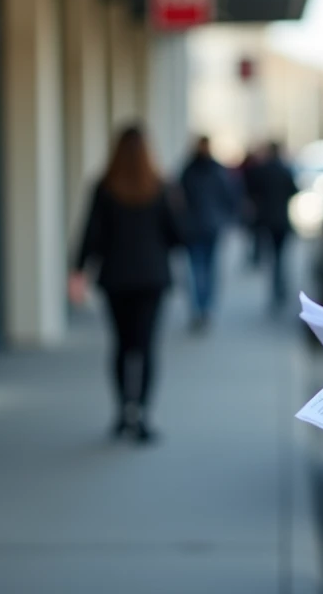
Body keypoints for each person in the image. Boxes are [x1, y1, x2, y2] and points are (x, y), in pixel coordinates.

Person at [70, 124, 182, 444]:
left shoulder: (104, 187)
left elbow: (90, 233)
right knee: (146, 347)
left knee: (121, 346)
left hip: (116, 278)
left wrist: (78, 271)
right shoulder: (161, 186)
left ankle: (122, 412)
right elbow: (177, 235)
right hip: (151, 278)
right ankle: (143, 414)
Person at [178, 135, 237, 330]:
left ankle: (203, 309)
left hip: (206, 227)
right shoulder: (205, 170)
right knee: (201, 270)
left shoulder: (192, 170)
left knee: (204, 270)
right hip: (201, 228)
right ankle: (202, 309)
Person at [245, 140, 300, 310]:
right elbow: (294, 190)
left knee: (272, 257)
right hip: (282, 221)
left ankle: (276, 291)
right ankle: (280, 289)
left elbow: (250, 189)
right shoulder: (285, 170)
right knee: (281, 258)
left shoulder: (262, 170)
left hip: (267, 220)